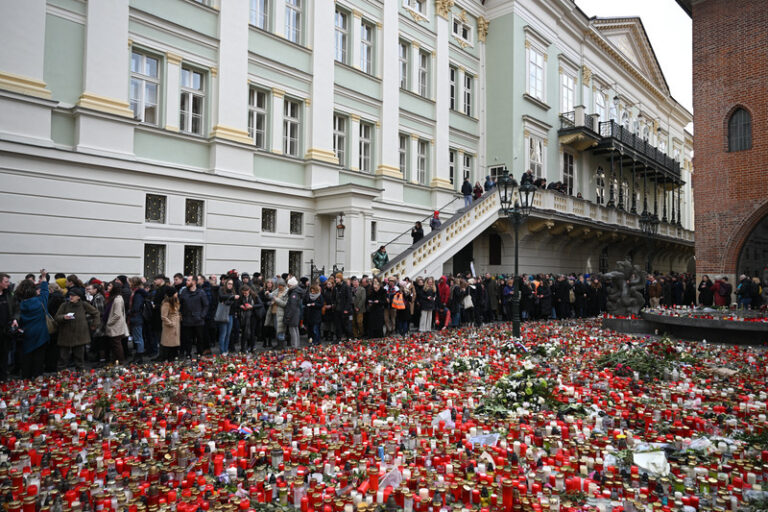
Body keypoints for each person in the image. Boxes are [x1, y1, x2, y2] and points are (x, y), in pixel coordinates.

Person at [54, 288, 99, 370]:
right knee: (63, 357)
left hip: (80, 334)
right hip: (65, 334)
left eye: (73, 295)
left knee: (79, 357)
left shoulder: (83, 304)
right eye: (70, 295)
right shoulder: (64, 305)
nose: (71, 297)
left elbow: (96, 313)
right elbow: (57, 317)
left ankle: (80, 373)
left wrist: (94, 324)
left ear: (78, 297)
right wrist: (63, 317)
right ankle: (61, 373)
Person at [16, 270, 49, 378]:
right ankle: (37, 379)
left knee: (27, 358)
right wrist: (44, 276)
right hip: (41, 333)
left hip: (27, 333)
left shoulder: (20, 304)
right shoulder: (40, 301)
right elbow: (45, 289)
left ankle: (26, 379)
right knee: (39, 359)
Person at [179, 275, 209, 357]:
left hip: (198, 320)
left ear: (194, 282)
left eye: (188, 280)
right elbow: (180, 304)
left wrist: (202, 316)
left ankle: (200, 355)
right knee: (187, 339)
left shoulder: (201, 292)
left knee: (199, 339)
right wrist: (181, 314)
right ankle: (188, 354)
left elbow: (206, 305)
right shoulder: (184, 292)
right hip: (187, 320)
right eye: (187, 280)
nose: (186, 282)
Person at [104, 280, 130, 363]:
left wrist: (109, 323)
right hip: (114, 325)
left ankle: (120, 361)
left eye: (110, 286)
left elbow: (117, 314)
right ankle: (116, 360)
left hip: (116, 325)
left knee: (116, 344)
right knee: (114, 344)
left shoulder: (118, 299)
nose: (108, 287)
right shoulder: (114, 298)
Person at [0, 273, 19, 381]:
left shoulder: (9, 295)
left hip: (6, 331)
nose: (8, 284)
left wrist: (15, 319)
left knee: (4, 355)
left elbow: (16, 309)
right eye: (6, 281)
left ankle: (3, 379)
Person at [215, 278, 238, 355]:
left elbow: (233, 303)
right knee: (223, 334)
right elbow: (221, 297)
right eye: (229, 283)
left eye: (231, 284)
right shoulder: (221, 289)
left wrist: (230, 299)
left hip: (231, 314)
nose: (230, 285)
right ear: (226, 284)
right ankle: (222, 351)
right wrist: (232, 297)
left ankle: (226, 350)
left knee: (228, 334)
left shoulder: (233, 292)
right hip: (223, 314)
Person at [128, 276, 148, 363]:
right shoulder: (136, 292)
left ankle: (139, 356)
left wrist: (129, 311)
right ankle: (138, 355)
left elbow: (136, 307)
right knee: (137, 337)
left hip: (136, 317)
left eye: (130, 282)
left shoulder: (138, 294)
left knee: (138, 338)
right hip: (135, 317)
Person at [160, 287, 181, 361]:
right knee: (169, 343)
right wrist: (171, 323)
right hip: (169, 326)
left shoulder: (175, 301)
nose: (177, 293)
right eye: (176, 292)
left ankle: (173, 357)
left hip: (176, 325)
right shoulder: (166, 304)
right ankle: (168, 358)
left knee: (174, 343)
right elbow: (163, 316)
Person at [267, 278, 288, 348]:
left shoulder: (286, 292)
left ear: (283, 285)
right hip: (274, 312)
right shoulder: (277, 290)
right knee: (277, 329)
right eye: (278, 285)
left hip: (281, 313)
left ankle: (281, 345)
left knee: (281, 329)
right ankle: (278, 344)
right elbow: (271, 295)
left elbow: (285, 304)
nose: (278, 287)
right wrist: (268, 294)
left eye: (279, 286)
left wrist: (276, 300)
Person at [284, 277, 304, 348]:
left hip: (293, 314)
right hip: (296, 313)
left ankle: (294, 345)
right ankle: (296, 344)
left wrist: (288, 316)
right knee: (295, 329)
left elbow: (292, 306)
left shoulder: (293, 294)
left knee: (292, 330)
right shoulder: (296, 292)